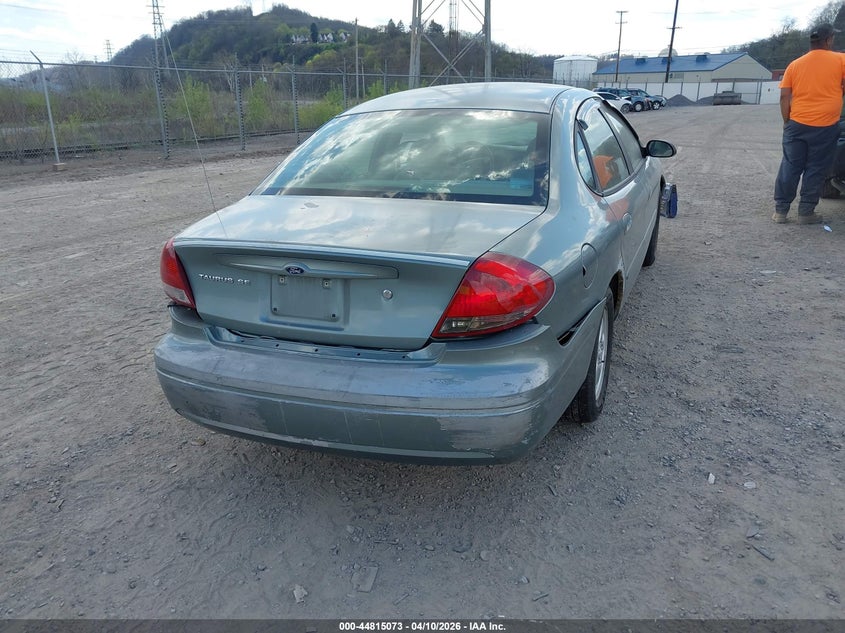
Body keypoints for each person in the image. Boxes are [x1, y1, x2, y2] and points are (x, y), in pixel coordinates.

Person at [773, 23, 845, 224]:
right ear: (828, 40)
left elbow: (784, 97)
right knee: (816, 168)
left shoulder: (794, 65)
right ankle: (806, 213)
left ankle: (781, 212)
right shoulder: (840, 60)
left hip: (797, 124)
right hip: (826, 126)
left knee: (790, 166)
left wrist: (787, 121)